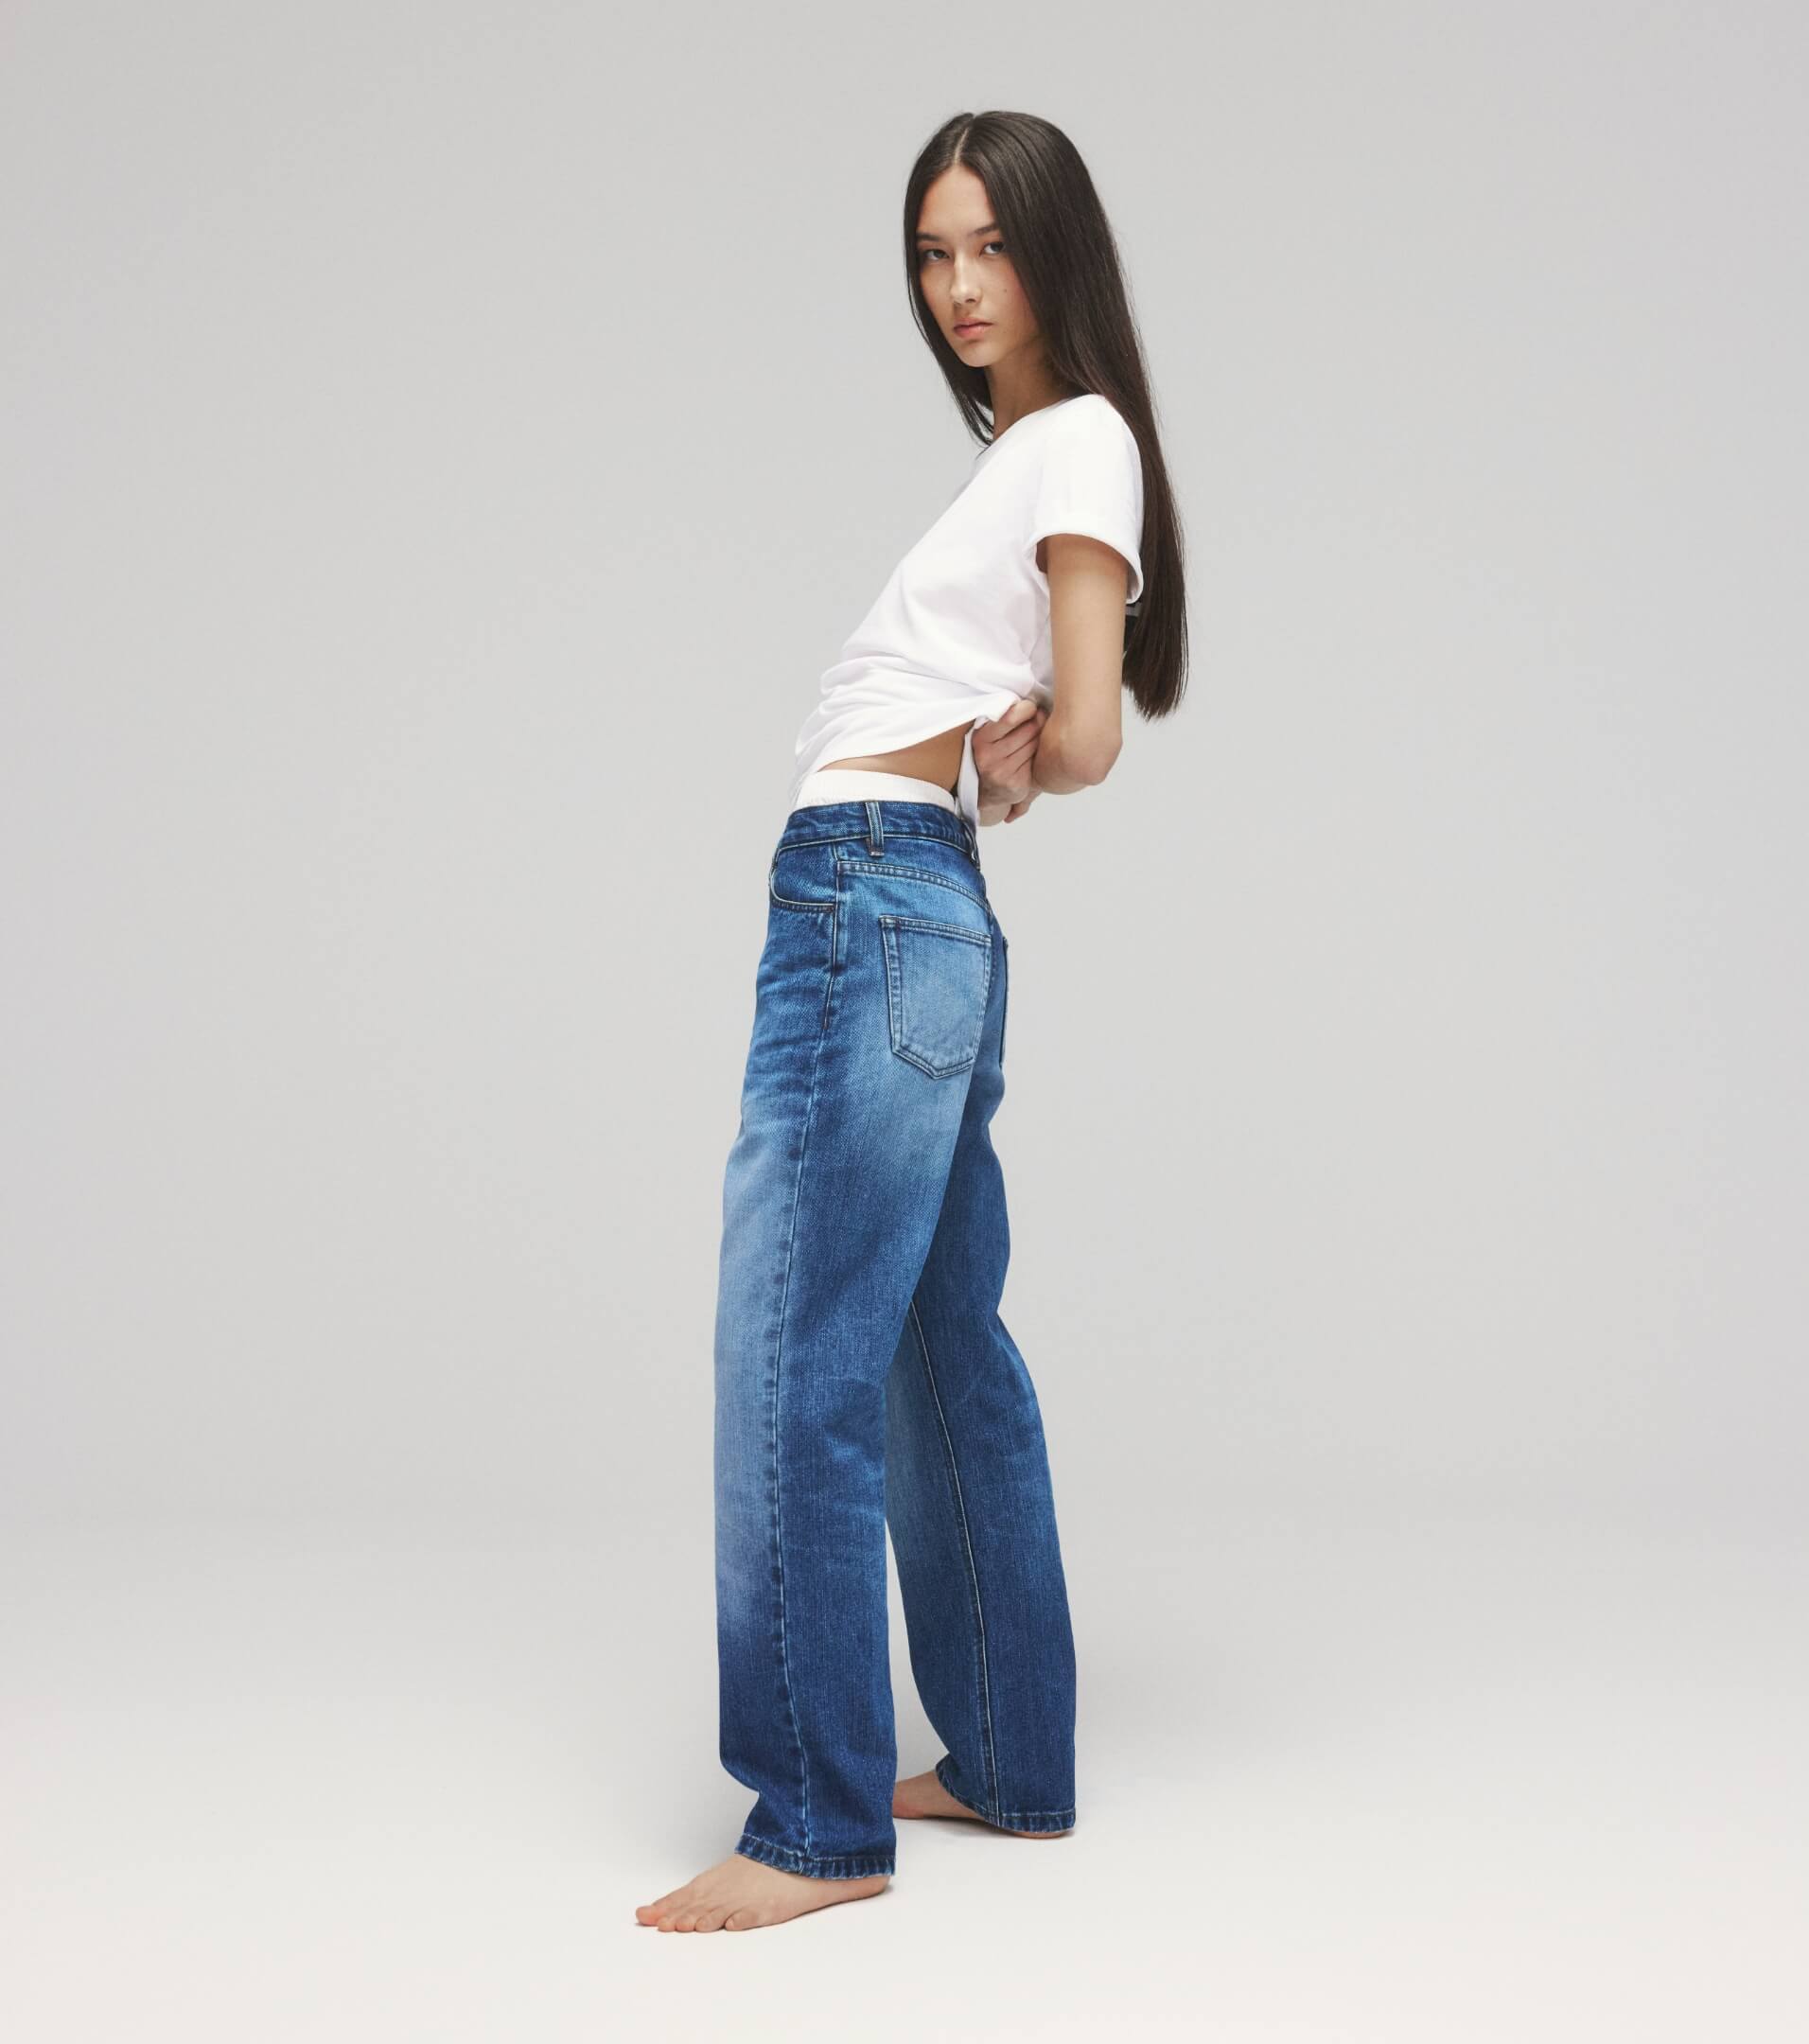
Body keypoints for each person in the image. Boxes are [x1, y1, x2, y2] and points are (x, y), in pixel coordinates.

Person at [636, 109, 1187, 1933]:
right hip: (913, 898)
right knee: (938, 1349)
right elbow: (1038, 731)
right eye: (934, 254)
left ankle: (812, 1822)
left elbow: (1091, 731)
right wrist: (999, 768)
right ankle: (1012, 1760)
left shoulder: (1078, 439)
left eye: (991, 247)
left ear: (1056, 250)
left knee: (795, 1352)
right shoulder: (1038, 452)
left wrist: (1030, 763)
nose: (958, 285)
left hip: (865, 903)